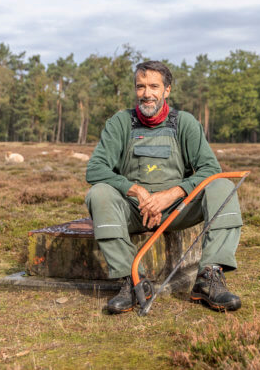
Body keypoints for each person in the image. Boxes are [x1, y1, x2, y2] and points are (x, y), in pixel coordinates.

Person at [85, 61, 243, 314]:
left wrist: (172, 194)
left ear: (167, 90)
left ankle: (209, 277)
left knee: (222, 186)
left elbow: (210, 168)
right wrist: (138, 191)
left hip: (178, 211)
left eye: (154, 86)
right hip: (134, 211)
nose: (146, 93)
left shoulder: (185, 123)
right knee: (98, 193)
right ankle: (133, 281)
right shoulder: (120, 123)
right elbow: (95, 169)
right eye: (140, 86)